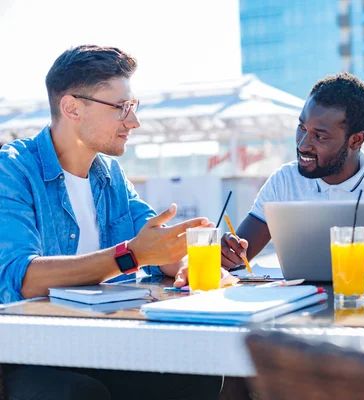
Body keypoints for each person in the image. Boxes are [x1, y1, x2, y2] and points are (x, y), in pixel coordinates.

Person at [0, 45, 222, 400]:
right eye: (121, 108)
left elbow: (156, 243)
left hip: (101, 343)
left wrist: (185, 265)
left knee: (198, 377)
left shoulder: (110, 176)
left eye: (132, 107)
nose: (133, 122)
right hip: (28, 354)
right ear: (71, 108)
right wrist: (129, 256)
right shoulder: (12, 169)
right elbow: (22, 278)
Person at [221, 72, 364, 269]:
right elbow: (238, 256)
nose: (303, 144)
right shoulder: (284, 181)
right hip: (303, 308)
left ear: (356, 140)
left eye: (320, 136)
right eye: (302, 128)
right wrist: (227, 253)